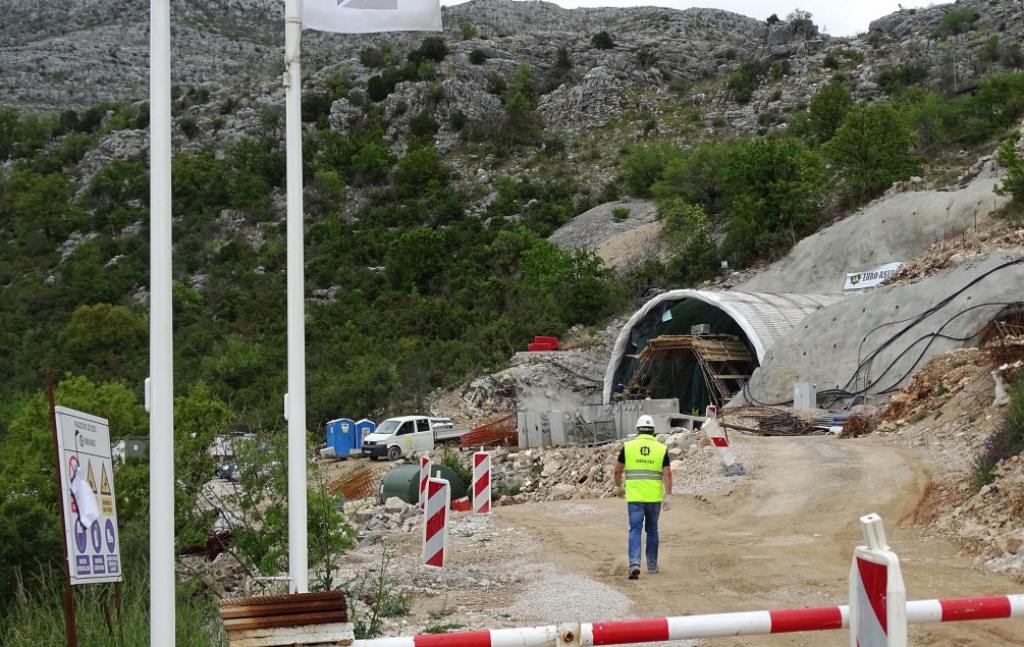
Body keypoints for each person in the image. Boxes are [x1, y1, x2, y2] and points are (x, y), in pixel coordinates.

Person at [613, 414, 672, 580]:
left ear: (637, 430)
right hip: (653, 498)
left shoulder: (628, 447)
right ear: (653, 431)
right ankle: (652, 566)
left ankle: (634, 564)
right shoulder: (661, 449)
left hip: (635, 497)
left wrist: (619, 487)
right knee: (652, 530)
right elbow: (667, 474)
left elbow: (617, 471)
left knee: (635, 530)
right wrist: (668, 495)